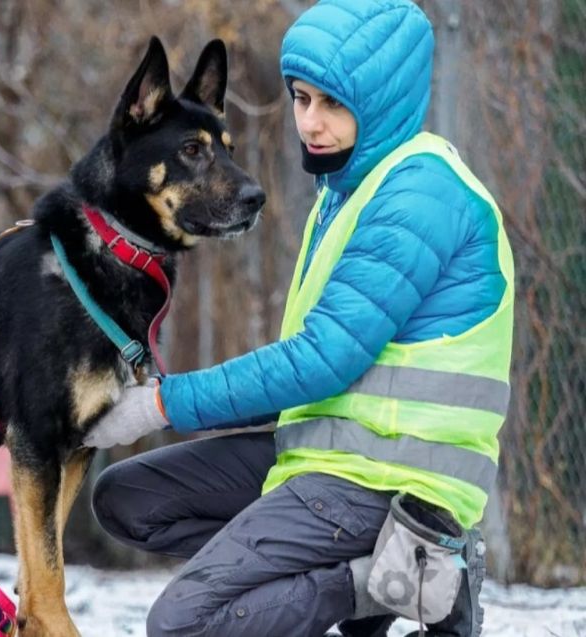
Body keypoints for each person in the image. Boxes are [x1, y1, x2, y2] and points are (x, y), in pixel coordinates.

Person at [84, 1, 514, 636]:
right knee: (127, 500)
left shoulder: (419, 196)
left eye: (333, 105)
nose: (310, 122)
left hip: (394, 480)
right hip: (324, 456)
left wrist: (162, 406)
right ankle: (355, 571)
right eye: (301, 97)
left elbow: (321, 361)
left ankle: (388, 580)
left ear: (384, 100)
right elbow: (326, 379)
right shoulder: (346, 193)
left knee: (182, 624)